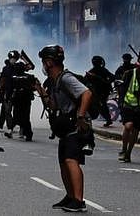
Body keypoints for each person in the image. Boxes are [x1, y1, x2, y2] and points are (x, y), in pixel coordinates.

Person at [38, 44, 93, 213]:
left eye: (44, 62)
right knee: (63, 163)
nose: (43, 65)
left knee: (71, 160)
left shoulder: (67, 78)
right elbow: (53, 105)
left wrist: (81, 116)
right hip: (65, 127)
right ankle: (70, 196)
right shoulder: (55, 82)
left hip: (75, 127)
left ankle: (78, 200)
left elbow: (87, 93)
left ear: (48, 63)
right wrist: (40, 90)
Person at [117, 48, 140, 163]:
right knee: (128, 126)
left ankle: (128, 153)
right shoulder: (129, 73)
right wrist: (121, 101)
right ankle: (123, 149)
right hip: (129, 104)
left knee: (136, 130)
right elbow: (121, 88)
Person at [2, 50, 37, 141]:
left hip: (23, 99)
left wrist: (24, 59)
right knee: (18, 115)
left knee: (22, 116)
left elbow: (31, 67)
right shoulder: (14, 75)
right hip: (18, 99)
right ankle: (15, 131)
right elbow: (7, 84)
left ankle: (24, 132)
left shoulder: (25, 77)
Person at [85, 56, 115, 127]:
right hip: (98, 91)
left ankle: (108, 119)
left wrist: (107, 82)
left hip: (103, 91)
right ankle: (108, 119)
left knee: (101, 105)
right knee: (100, 105)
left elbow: (113, 77)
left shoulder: (101, 70)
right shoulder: (93, 71)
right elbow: (86, 80)